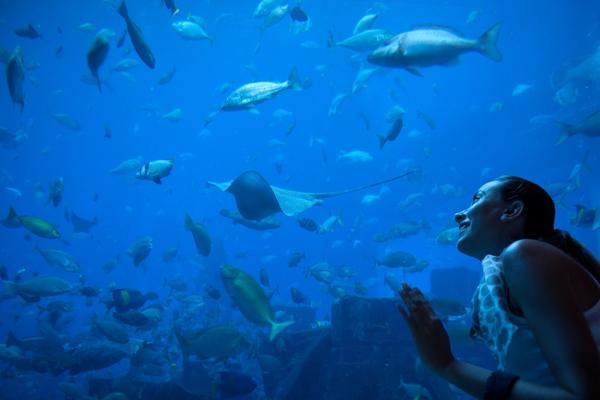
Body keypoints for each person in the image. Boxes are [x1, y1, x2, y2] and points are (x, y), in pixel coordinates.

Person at [398, 176, 600, 399]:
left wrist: (446, 365)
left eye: (477, 199)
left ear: (512, 211)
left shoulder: (523, 256)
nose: (458, 214)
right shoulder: (513, 270)